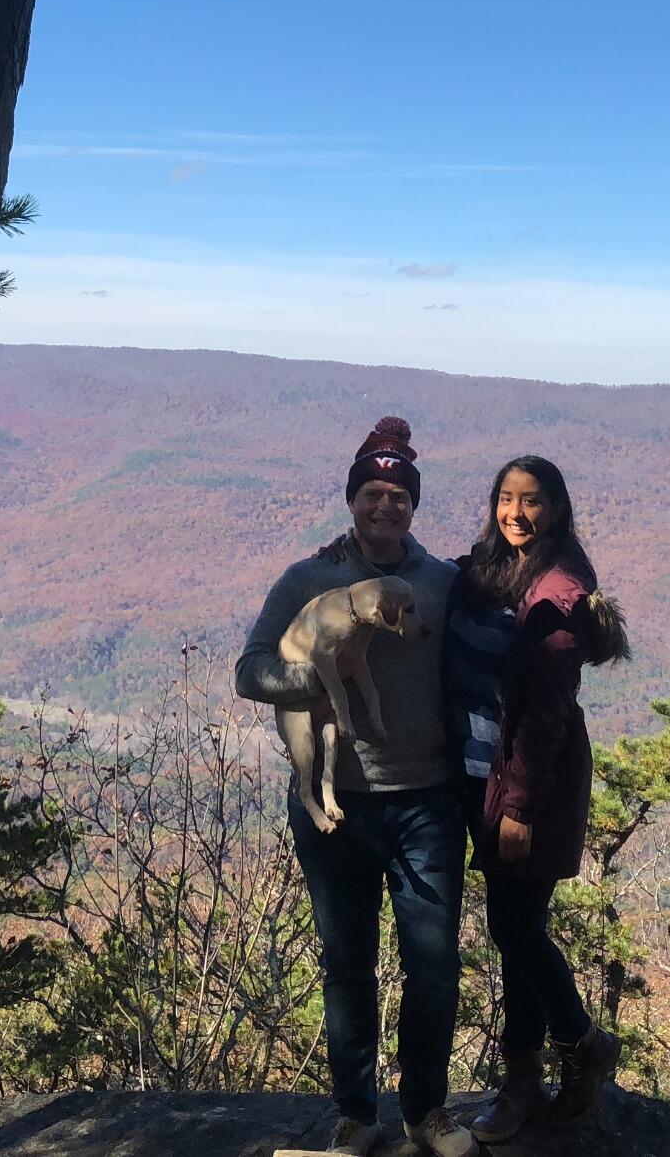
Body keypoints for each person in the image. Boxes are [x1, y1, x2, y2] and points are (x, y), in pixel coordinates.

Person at [237, 417, 475, 1157]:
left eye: (397, 495)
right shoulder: (310, 579)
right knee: (347, 962)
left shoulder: (440, 583)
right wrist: (309, 677)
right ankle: (354, 1114)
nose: (384, 506)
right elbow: (249, 670)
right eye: (372, 492)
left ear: (413, 505)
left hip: (425, 798)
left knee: (432, 962)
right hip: (337, 806)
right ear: (352, 500)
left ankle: (426, 1112)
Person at [443, 455, 626, 1143]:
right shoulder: (494, 568)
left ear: (557, 507)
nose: (516, 512)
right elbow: (450, 575)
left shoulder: (559, 593)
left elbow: (546, 713)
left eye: (532, 501)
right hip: (480, 774)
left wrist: (518, 806)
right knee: (518, 929)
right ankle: (524, 1080)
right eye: (506, 498)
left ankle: (577, 1044)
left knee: (515, 928)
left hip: (528, 786)